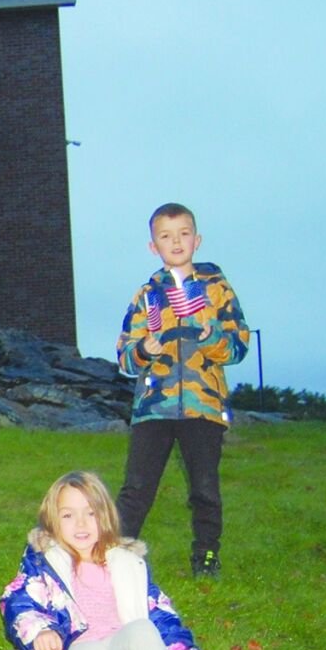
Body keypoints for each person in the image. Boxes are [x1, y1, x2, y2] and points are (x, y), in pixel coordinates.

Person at [0, 470, 211, 650]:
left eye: (90, 513)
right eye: (68, 515)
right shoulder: (45, 564)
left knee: (143, 629)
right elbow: (19, 600)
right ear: (52, 521)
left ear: (106, 517)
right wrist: (41, 631)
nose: (81, 524)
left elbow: (162, 617)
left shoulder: (126, 564)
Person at [114, 203, 248, 577]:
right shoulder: (146, 295)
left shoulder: (217, 290)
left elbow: (238, 346)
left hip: (203, 407)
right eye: (165, 236)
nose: (176, 242)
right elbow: (124, 358)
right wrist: (143, 350)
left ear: (197, 239)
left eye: (184, 233)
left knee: (204, 487)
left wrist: (213, 338)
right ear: (152, 246)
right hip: (153, 408)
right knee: (137, 487)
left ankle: (206, 555)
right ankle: (117, 558)